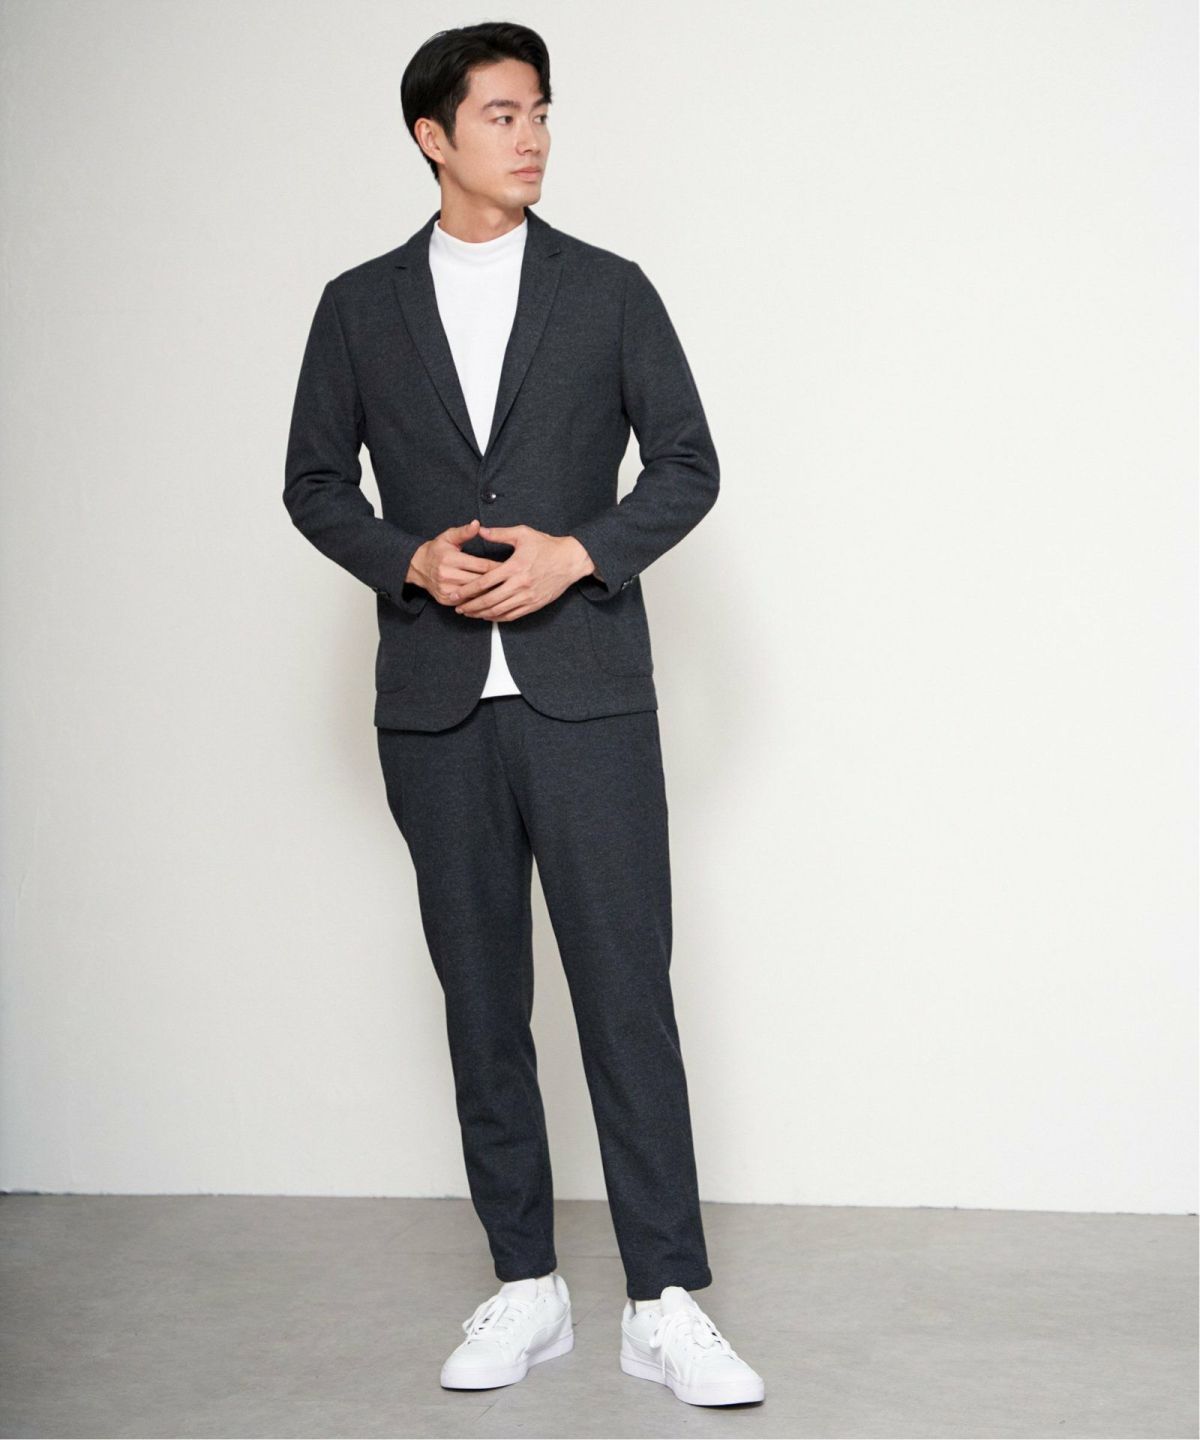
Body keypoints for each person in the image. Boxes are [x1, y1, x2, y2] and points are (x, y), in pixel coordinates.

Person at [283, 20, 764, 1409]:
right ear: (433, 137)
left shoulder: (607, 290)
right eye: (502, 114)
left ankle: (664, 1302)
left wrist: (580, 554)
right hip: (437, 707)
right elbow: (315, 483)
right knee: (484, 1003)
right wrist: (409, 561)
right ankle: (526, 1285)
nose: (533, 136)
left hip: (587, 696)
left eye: (541, 111)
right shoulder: (358, 306)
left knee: (625, 996)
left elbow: (687, 463)